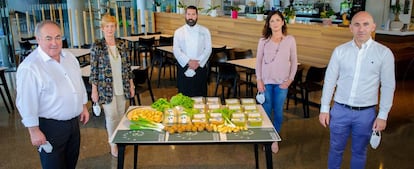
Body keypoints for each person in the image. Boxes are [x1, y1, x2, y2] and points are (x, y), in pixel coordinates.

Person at [319, 11, 395, 169]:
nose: (361, 29)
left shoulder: (384, 53)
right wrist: (324, 108)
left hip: (366, 114)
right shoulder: (340, 51)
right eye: (357, 24)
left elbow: (388, 86)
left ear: (373, 27)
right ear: (350, 28)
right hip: (340, 110)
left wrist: (383, 115)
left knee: (359, 151)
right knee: (335, 149)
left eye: (366, 24)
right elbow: (330, 81)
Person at [16, 20, 90, 169]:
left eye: (58, 37)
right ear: (37, 39)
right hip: (50, 128)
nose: (54, 43)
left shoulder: (69, 57)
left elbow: (77, 83)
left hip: (73, 124)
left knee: (71, 163)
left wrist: (83, 105)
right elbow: (26, 102)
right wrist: (33, 130)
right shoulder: (30, 67)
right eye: (48, 38)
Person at [89, 14, 135, 157]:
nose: (110, 29)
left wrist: (131, 84)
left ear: (115, 27)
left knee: (121, 115)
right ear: (102, 28)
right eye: (107, 26)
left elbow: (127, 67)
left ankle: (120, 140)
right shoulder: (97, 46)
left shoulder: (122, 44)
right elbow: (94, 70)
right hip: (105, 88)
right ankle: (113, 143)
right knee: (111, 116)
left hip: (122, 86)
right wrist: (94, 90)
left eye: (112, 26)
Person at [255, 10, 298, 154]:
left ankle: (274, 138)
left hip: (282, 83)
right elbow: (259, 61)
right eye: (271, 21)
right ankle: (267, 138)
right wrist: (259, 80)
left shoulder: (290, 40)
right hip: (266, 82)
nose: (275, 23)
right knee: (266, 111)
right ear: (268, 24)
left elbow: (294, 61)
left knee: (278, 112)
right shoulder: (263, 41)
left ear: (283, 22)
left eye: (277, 20)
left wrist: (290, 80)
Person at [173, 5, 212, 97]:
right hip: (184, 67)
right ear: (185, 16)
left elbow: (208, 49)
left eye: (193, 14)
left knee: (200, 95)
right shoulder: (178, 32)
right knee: (183, 95)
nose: (191, 17)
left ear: (197, 16)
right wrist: (188, 61)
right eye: (189, 14)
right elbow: (176, 50)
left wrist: (198, 62)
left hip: (200, 67)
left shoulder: (205, 31)